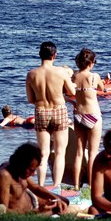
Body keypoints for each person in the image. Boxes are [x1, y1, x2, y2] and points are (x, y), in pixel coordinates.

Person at [25, 41, 76, 187]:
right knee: (60, 152)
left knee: (43, 153)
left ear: (40, 55)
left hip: (41, 111)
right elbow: (72, 92)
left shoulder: (31, 74)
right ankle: (56, 186)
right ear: (55, 55)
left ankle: (40, 185)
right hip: (59, 110)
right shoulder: (61, 72)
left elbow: (30, 99)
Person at [0, 143, 69, 215]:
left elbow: (35, 187)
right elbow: (2, 211)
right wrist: (36, 211)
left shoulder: (19, 171)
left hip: (32, 199)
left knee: (64, 202)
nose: (33, 174)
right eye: (31, 170)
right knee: (57, 209)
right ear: (21, 164)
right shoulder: (4, 176)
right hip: (28, 211)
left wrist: (56, 198)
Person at [71, 48, 104, 190]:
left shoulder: (74, 77)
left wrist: (72, 102)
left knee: (79, 153)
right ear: (91, 63)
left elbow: (66, 92)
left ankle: (77, 185)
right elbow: (102, 88)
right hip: (93, 115)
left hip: (79, 115)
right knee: (92, 153)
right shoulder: (94, 76)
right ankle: (91, 185)